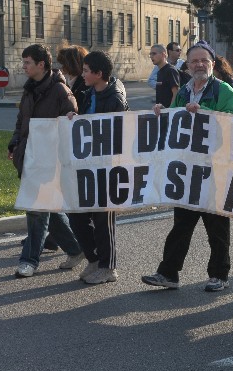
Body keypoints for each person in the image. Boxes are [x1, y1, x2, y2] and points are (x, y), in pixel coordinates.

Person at [141, 40, 233, 292]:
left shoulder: (224, 91)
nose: (199, 65)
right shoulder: (184, 92)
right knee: (181, 225)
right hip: (187, 171)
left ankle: (219, 274)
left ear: (213, 63)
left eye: (204, 61)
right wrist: (162, 112)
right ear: (187, 65)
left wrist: (205, 112)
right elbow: (175, 123)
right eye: (194, 61)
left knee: (216, 227)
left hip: (214, 169)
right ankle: (169, 273)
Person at [7, 43, 84, 278]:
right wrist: (14, 143)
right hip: (31, 157)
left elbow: (73, 125)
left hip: (52, 161)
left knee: (36, 208)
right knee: (47, 207)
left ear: (42, 64)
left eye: (27, 62)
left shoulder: (61, 91)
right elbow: (22, 121)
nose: (24, 66)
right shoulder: (29, 89)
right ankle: (75, 248)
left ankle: (29, 260)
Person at [66, 50, 130, 285]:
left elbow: (119, 134)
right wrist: (75, 116)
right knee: (76, 213)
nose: (81, 74)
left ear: (98, 74)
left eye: (85, 70)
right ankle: (94, 259)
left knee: (104, 220)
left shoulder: (115, 99)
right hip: (86, 165)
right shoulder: (87, 93)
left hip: (108, 167)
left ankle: (109, 268)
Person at [150, 44, 180, 108]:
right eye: (150, 54)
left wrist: (170, 111)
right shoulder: (159, 72)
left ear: (163, 55)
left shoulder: (171, 70)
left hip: (169, 114)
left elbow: (176, 93)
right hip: (161, 113)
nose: (151, 56)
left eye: (154, 54)